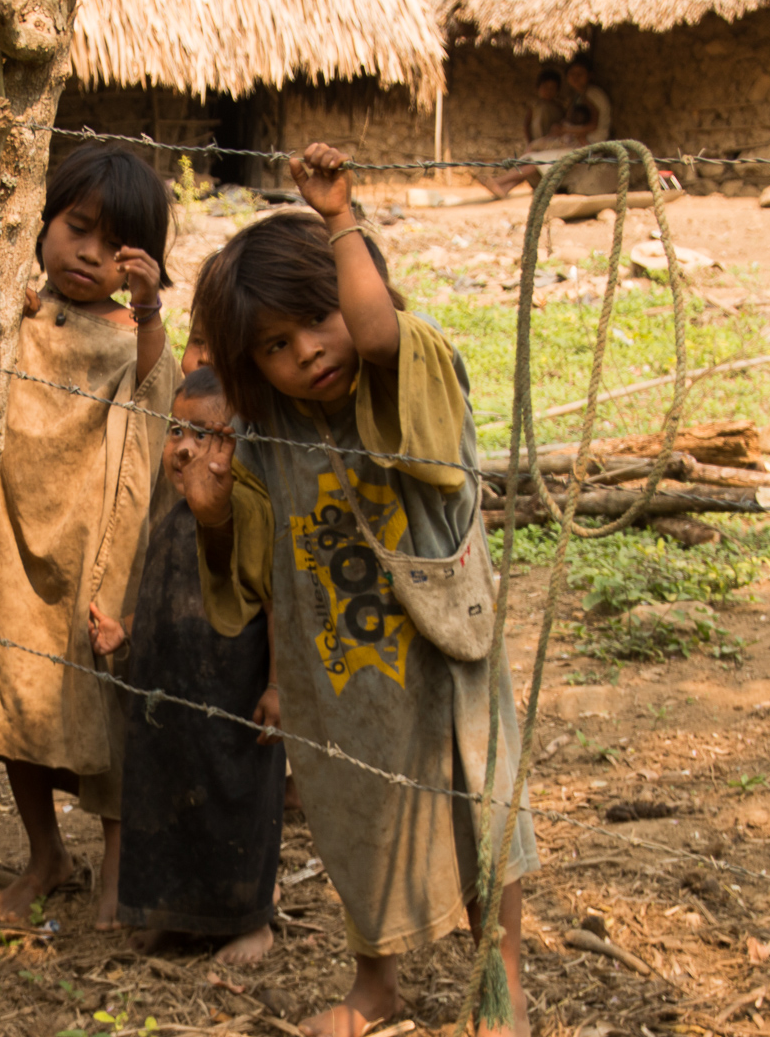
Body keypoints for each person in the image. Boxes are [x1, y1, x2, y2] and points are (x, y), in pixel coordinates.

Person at [191, 145, 538, 1037]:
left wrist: (341, 217)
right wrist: (215, 516)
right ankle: (374, 983)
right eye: (274, 345)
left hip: (444, 650)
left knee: (482, 813)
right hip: (343, 673)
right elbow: (252, 576)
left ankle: (498, 986)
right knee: (354, 816)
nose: (309, 351)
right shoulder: (269, 442)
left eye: (318, 317)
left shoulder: (410, 365)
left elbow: (375, 334)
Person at [0, 145, 179, 929]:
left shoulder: (134, 339)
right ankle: (45, 853)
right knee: (15, 700)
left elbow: (155, 394)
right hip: (17, 546)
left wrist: (152, 312)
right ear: (46, 220)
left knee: (108, 709)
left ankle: (118, 868)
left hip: (97, 547)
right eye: (76, 228)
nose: (89, 254)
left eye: (115, 246)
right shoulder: (15, 313)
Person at [89, 366, 282, 966]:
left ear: (238, 445)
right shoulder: (170, 520)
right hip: (166, 702)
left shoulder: (250, 514)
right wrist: (127, 634)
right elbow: (165, 600)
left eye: (208, 434)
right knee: (165, 801)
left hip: (232, 703)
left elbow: (277, 604)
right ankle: (170, 916)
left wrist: (277, 685)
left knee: (234, 805)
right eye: (177, 431)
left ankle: (249, 923)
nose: (185, 447)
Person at [483, 58, 615, 199]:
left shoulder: (593, 95)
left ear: (590, 75)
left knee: (540, 158)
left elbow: (592, 126)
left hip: (590, 144)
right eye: (572, 74)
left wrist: (565, 131)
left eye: (580, 74)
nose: (575, 78)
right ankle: (506, 187)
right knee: (535, 153)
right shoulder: (580, 95)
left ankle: (499, 181)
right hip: (578, 140)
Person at [524, 70, 564, 143]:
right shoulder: (534, 106)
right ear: (538, 88)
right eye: (545, 87)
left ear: (557, 90)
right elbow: (526, 125)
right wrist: (529, 142)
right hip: (538, 140)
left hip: (554, 142)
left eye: (552, 88)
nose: (549, 91)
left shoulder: (559, 107)